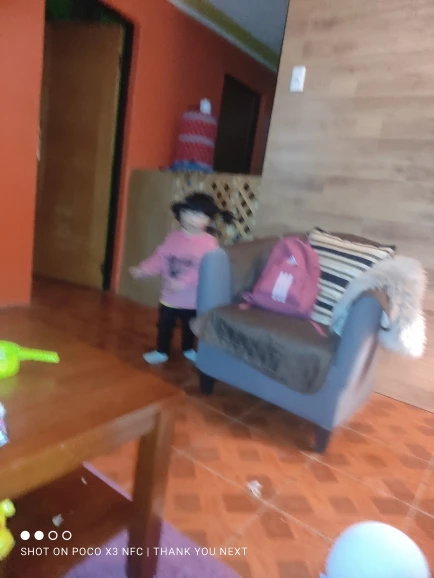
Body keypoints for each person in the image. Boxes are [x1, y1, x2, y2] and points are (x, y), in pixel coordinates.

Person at [129, 192, 233, 365]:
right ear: (180, 213)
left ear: (209, 220)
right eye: (188, 212)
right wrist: (144, 270)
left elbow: (203, 269)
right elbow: (160, 258)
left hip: (191, 299)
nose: (191, 218)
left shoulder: (209, 243)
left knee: (189, 327)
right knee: (164, 325)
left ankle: (188, 349)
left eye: (199, 215)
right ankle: (161, 351)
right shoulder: (173, 237)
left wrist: (183, 283)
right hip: (169, 296)